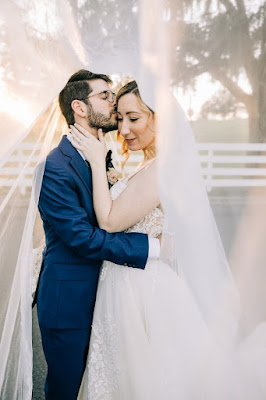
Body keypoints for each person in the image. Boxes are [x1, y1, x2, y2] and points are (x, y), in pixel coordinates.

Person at [71, 80, 266, 400]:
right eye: (119, 118)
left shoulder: (163, 169)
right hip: (132, 284)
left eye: (134, 118)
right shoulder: (154, 165)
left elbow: (108, 220)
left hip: (143, 292)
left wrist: (95, 159)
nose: (123, 128)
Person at [35, 70, 160, 400]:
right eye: (105, 95)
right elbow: (81, 238)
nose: (113, 101)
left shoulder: (102, 156)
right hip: (70, 304)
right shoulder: (55, 166)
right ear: (79, 107)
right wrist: (148, 247)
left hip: (113, 301)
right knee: (68, 390)